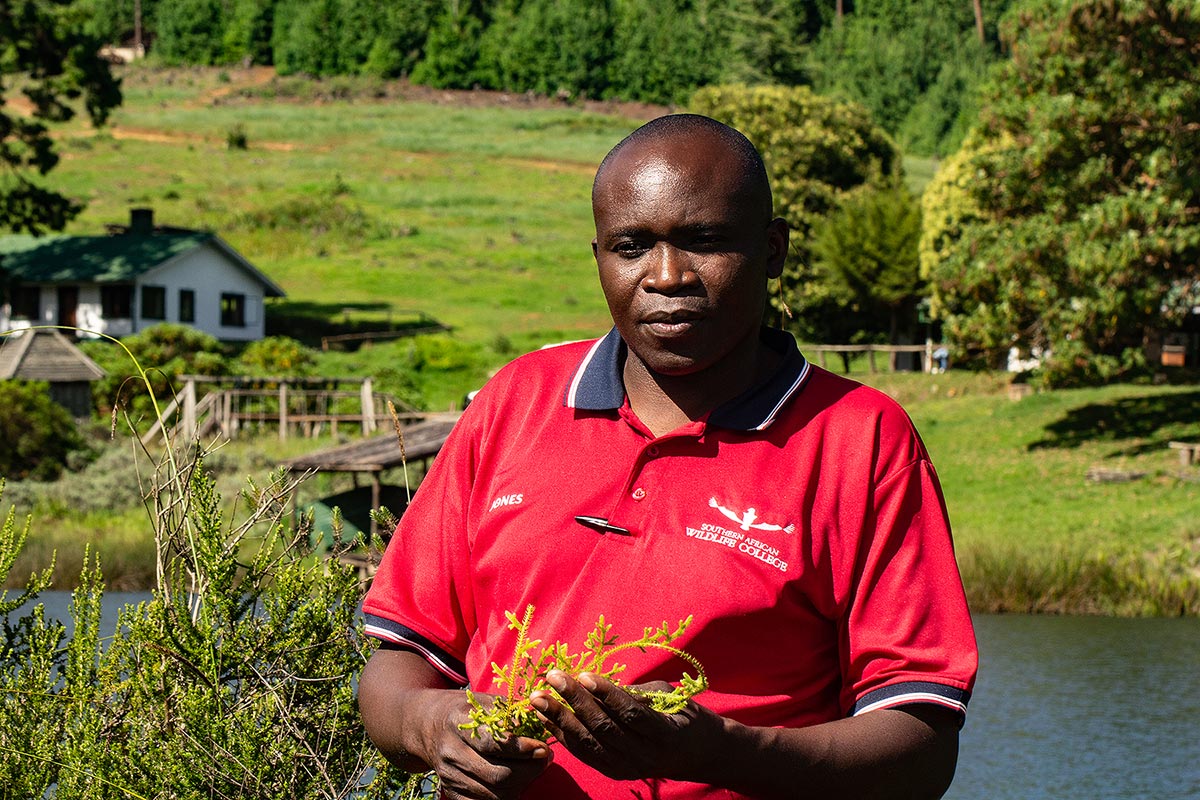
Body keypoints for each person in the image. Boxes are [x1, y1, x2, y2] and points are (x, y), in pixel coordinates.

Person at [358, 114, 977, 800]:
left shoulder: (861, 440)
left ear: (772, 251)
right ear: (599, 255)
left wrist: (723, 753)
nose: (667, 276)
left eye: (703, 241)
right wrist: (435, 722)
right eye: (631, 246)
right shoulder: (514, 404)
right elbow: (397, 669)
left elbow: (920, 749)